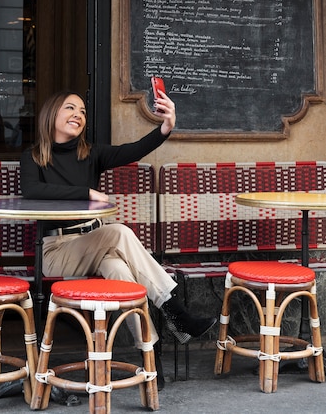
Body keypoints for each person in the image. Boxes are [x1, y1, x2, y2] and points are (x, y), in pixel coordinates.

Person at [20, 89, 216, 389]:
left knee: (122, 273)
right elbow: (32, 190)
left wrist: (166, 127)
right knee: (120, 231)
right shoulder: (34, 156)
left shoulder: (90, 154)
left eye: (83, 111)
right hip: (57, 250)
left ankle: (149, 354)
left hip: (96, 245)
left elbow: (134, 150)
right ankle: (175, 311)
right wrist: (85, 193)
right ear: (51, 116)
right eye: (70, 108)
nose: (78, 115)